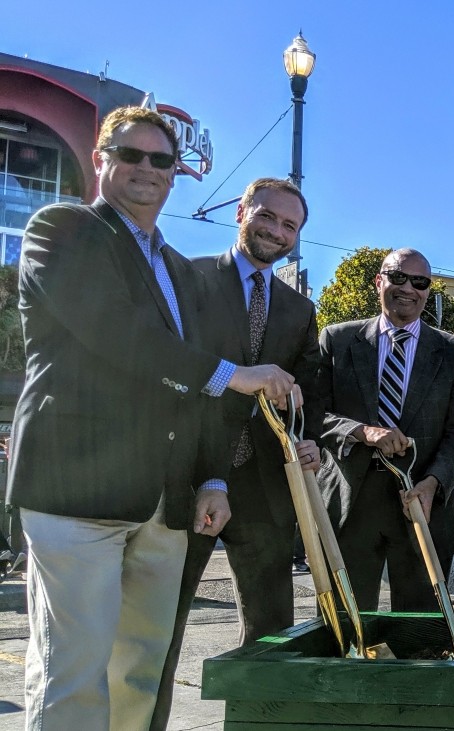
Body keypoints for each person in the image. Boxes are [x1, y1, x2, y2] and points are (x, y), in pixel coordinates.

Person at [8, 105, 295, 729]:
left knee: (139, 673)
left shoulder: (175, 269)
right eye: (130, 155)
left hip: (164, 503)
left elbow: (188, 391)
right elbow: (118, 334)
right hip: (75, 492)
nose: (146, 169)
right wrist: (234, 375)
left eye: (160, 159)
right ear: (99, 160)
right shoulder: (62, 228)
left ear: (175, 174)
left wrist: (212, 478)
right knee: (71, 677)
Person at [152, 178, 323, 730]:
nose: (276, 230)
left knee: (272, 625)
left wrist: (308, 432)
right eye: (267, 217)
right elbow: (171, 372)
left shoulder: (300, 310)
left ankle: (262, 724)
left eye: (289, 225)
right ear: (241, 212)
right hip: (187, 476)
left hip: (265, 485)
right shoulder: (188, 278)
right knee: (163, 620)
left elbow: (308, 389)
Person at [315, 248, 454, 611]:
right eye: (398, 277)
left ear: (427, 290)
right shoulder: (337, 340)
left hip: (422, 504)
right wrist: (362, 431)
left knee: (421, 637)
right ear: (379, 281)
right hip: (350, 505)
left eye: (419, 282)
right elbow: (314, 416)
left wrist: (433, 485)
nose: (408, 288)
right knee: (347, 632)